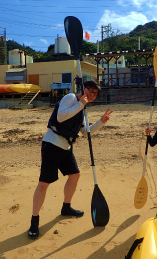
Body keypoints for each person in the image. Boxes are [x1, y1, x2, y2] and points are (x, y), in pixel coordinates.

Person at [28, 80, 113, 239]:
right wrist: (80, 104)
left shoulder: (82, 109)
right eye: (90, 91)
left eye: (95, 94)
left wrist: (101, 121)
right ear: (83, 88)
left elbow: (86, 132)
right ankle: (34, 220)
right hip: (52, 144)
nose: (92, 95)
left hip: (66, 147)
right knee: (44, 184)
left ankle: (66, 207)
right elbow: (60, 117)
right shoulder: (71, 98)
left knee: (75, 175)